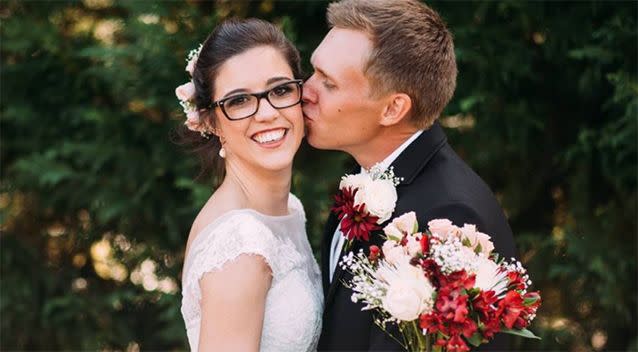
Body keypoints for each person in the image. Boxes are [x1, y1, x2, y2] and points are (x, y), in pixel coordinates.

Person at [302, 0, 517, 351]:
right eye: (314, 71)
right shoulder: (368, 178)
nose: (305, 92)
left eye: (328, 83)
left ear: (393, 109)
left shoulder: (448, 222)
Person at [177, 19, 322, 352]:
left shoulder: (289, 208)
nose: (268, 113)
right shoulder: (240, 244)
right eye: (239, 101)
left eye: (281, 89)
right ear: (210, 121)